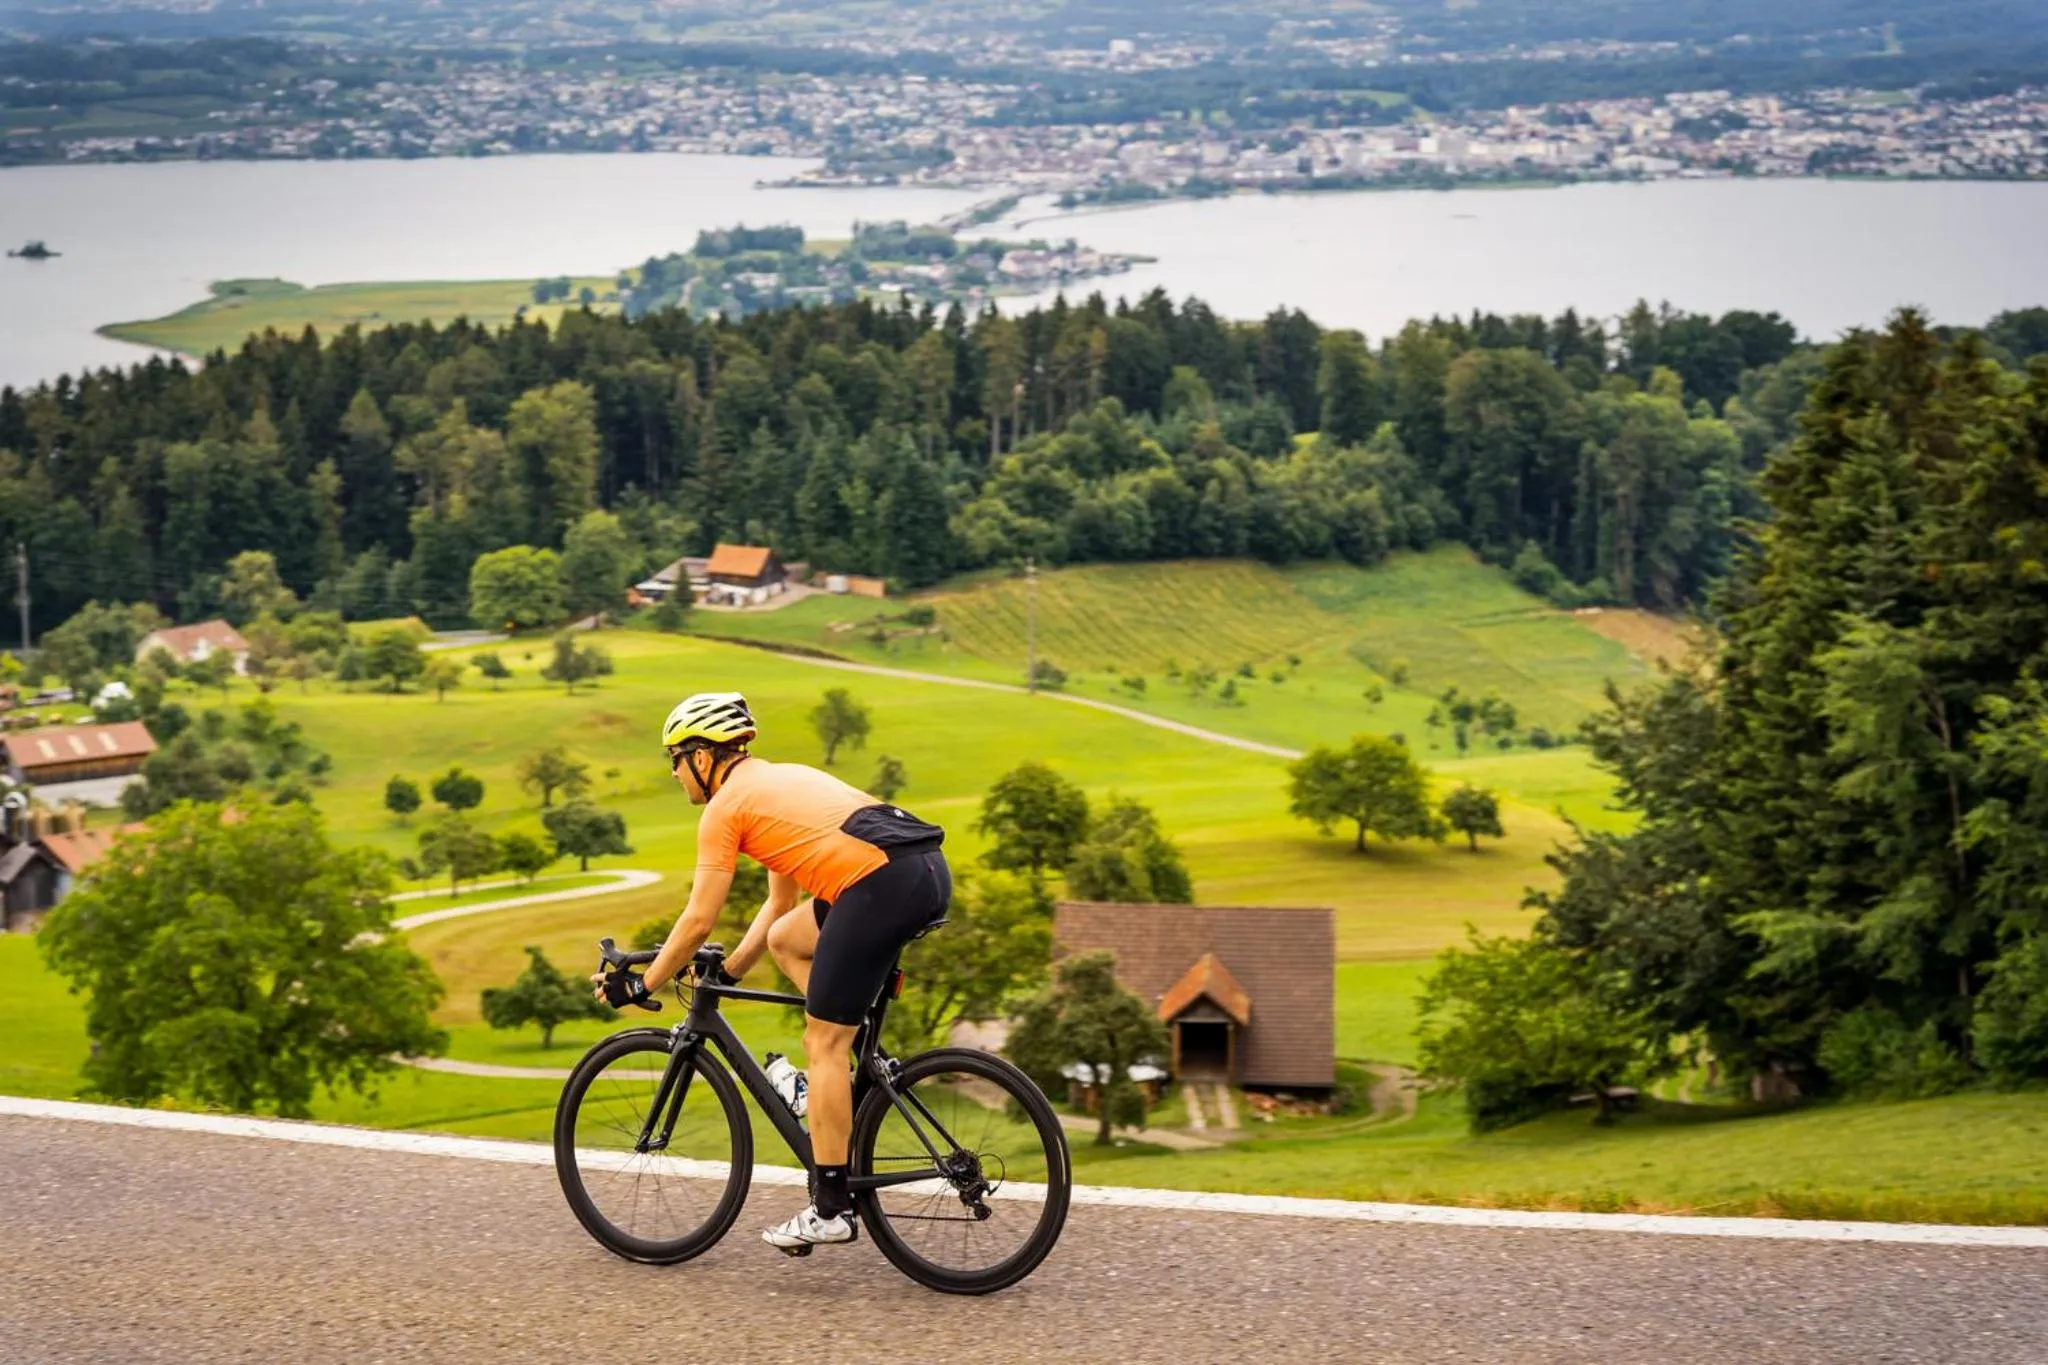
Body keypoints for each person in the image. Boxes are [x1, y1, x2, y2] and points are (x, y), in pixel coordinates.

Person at [594, 690, 951, 1253]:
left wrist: (641, 984)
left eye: (675, 760)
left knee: (824, 1042)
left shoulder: (725, 809)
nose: (674, 773)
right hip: (921, 870)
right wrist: (730, 973)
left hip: (881, 886)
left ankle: (830, 1208)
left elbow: (697, 920)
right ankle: (841, 1071)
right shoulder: (775, 782)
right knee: (789, 941)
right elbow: (780, 907)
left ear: (702, 757)